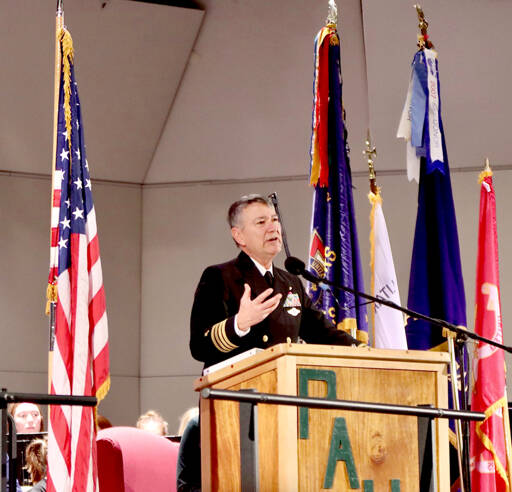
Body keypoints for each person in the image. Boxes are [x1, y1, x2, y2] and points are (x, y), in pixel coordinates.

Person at [190, 194, 361, 369]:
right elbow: (198, 347)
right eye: (261, 222)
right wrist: (238, 325)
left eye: (275, 220)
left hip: (284, 389)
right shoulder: (219, 276)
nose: (273, 228)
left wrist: (362, 350)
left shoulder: (291, 282)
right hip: (237, 392)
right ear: (239, 236)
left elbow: (322, 333)